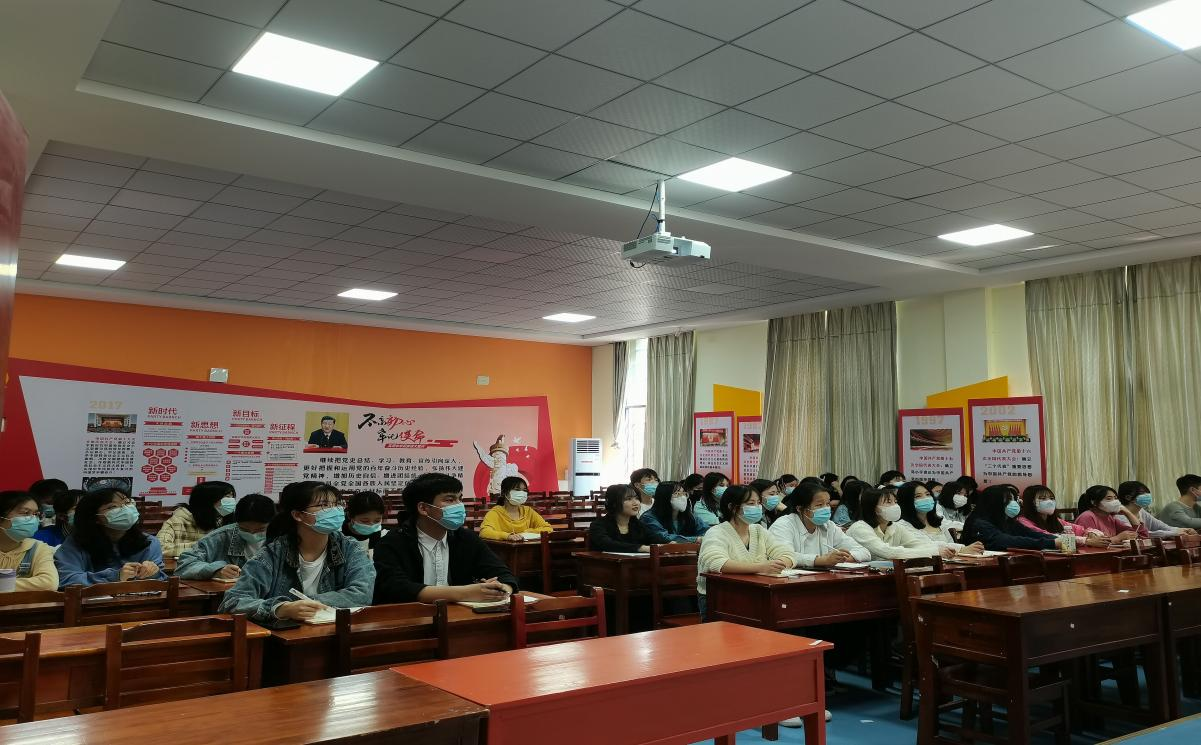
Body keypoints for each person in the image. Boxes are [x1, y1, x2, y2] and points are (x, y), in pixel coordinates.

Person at [220, 482, 374, 623]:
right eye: (324, 505)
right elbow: (232, 602)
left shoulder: (350, 548)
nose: (334, 510)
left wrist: (308, 603)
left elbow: (362, 594)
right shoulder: (273, 554)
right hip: (285, 636)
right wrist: (280, 608)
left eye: (337, 504)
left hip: (334, 632)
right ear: (298, 515)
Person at [372, 473, 516, 604]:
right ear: (423, 508)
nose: (459, 506)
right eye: (450, 500)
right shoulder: (392, 542)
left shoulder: (466, 538)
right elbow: (396, 588)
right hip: (409, 618)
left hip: (458, 617)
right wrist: (466, 593)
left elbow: (503, 575)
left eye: (460, 499)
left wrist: (500, 589)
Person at [697, 484, 797, 616]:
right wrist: (762, 567)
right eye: (751, 503)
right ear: (732, 507)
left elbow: (787, 553)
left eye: (758, 503)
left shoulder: (759, 530)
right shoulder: (717, 532)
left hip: (756, 592)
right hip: (721, 597)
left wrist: (780, 563)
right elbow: (715, 563)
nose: (757, 507)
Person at [54, 489, 165, 587]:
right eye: (112, 507)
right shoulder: (75, 543)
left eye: (127, 502)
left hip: (139, 601)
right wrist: (115, 576)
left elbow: (161, 581)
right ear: (95, 518)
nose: (125, 509)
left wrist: (154, 573)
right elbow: (66, 579)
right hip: (94, 602)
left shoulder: (149, 542)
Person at [769, 482, 870, 568]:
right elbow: (784, 556)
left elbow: (864, 552)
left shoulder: (829, 525)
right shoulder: (783, 525)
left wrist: (842, 558)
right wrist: (821, 560)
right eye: (819, 505)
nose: (826, 508)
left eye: (828, 504)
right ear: (800, 508)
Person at [175, 493, 275, 580]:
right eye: (245, 529)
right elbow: (184, 565)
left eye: (260, 530)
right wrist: (216, 570)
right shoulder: (221, 537)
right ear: (237, 523)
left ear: (272, 523)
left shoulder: (280, 538)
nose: (252, 534)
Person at [845, 488, 955, 560]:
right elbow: (889, 552)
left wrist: (943, 549)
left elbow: (918, 544)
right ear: (874, 508)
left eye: (895, 502)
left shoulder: (895, 527)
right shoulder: (860, 528)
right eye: (889, 502)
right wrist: (934, 552)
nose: (895, 506)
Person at [960, 485, 1069, 551]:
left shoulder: (1007, 521)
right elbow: (1005, 540)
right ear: (994, 503)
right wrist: (1052, 543)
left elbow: (1030, 533)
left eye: (1013, 499)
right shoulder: (979, 523)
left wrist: (1059, 540)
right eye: (1008, 500)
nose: (1014, 503)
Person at [897, 482, 982, 554]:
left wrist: (963, 549)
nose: (926, 498)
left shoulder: (938, 523)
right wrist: (961, 549)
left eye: (928, 494)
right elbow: (925, 545)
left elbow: (950, 544)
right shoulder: (902, 526)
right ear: (906, 501)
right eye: (918, 496)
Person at [157, 481, 236, 557]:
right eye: (227, 497)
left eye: (232, 497)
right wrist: (204, 546)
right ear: (208, 500)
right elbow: (160, 548)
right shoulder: (179, 520)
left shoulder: (230, 521)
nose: (232, 501)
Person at [0, 491, 59, 591]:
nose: (33, 519)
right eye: (26, 513)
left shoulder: (38, 548)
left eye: (35, 514)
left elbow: (49, 583)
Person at [1016, 485, 1110, 544]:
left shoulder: (1056, 521)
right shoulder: (1023, 521)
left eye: (1051, 498)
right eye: (1043, 498)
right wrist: (1087, 541)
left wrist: (1091, 533)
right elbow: (1049, 536)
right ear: (1031, 502)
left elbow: (1080, 529)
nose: (1049, 502)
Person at [591, 484, 664, 553]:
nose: (635, 503)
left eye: (637, 498)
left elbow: (655, 539)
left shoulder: (638, 525)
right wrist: (641, 548)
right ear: (614, 503)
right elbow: (607, 544)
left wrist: (667, 544)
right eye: (629, 499)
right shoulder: (598, 525)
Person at [478, 477, 552, 541]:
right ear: (505, 493)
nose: (522, 493)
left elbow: (548, 528)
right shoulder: (495, 512)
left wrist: (527, 532)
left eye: (524, 490)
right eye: (517, 489)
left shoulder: (528, 511)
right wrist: (507, 536)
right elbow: (484, 532)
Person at [1119, 481, 1197, 539]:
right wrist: (1173, 533)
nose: (1147, 496)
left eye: (1147, 493)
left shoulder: (1141, 512)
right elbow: (1140, 534)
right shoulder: (1120, 515)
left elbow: (1162, 526)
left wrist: (1184, 530)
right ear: (1128, 497)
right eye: (1142, 493)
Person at [640, 481, 706, 544]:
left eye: (683, 493)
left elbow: (706, 530)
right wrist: (695, 539)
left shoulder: (690, 515)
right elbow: (664, 537)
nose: (682, 497)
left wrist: (704, 537)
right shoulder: (648, 517)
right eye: (677, 494)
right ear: (665, 497)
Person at [1074, 485, 1146, 540]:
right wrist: (1118, 538)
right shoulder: (1087, 517)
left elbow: (1141, 535)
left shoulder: (1110, 518)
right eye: (1109, 499)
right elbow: (1089, 543)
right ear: (1094, 502)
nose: (1115, 502)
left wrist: (1127, 512)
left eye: (1115, 498)